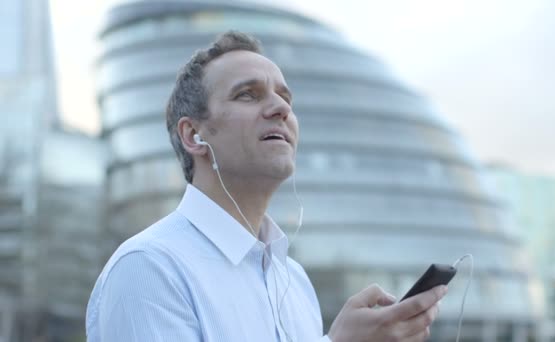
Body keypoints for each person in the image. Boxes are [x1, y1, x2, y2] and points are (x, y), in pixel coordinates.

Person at [86, 31, 447, 342]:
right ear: (193, 135)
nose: (280, 108)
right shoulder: (149, 269)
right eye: (248, 94)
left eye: (285, 98)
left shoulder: (293, 279)